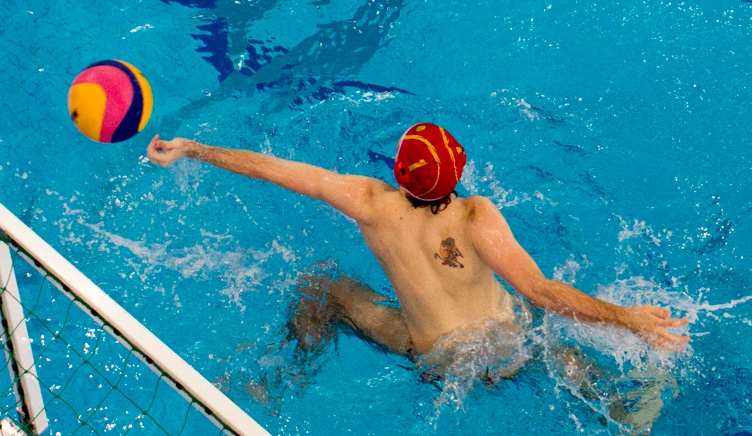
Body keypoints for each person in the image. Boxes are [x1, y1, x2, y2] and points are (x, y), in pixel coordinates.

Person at [146, 123, 689, 373]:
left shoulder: (370, 202)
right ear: (458, 176)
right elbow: (543, 290)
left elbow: (275, 170)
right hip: (503, 352)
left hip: (432, 360)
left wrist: (193, 148)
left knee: (325, 286)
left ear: (398, 171)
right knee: (527, 312)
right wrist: (629, 319)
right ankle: (614, 398)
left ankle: (282, 377)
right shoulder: (477, 216)